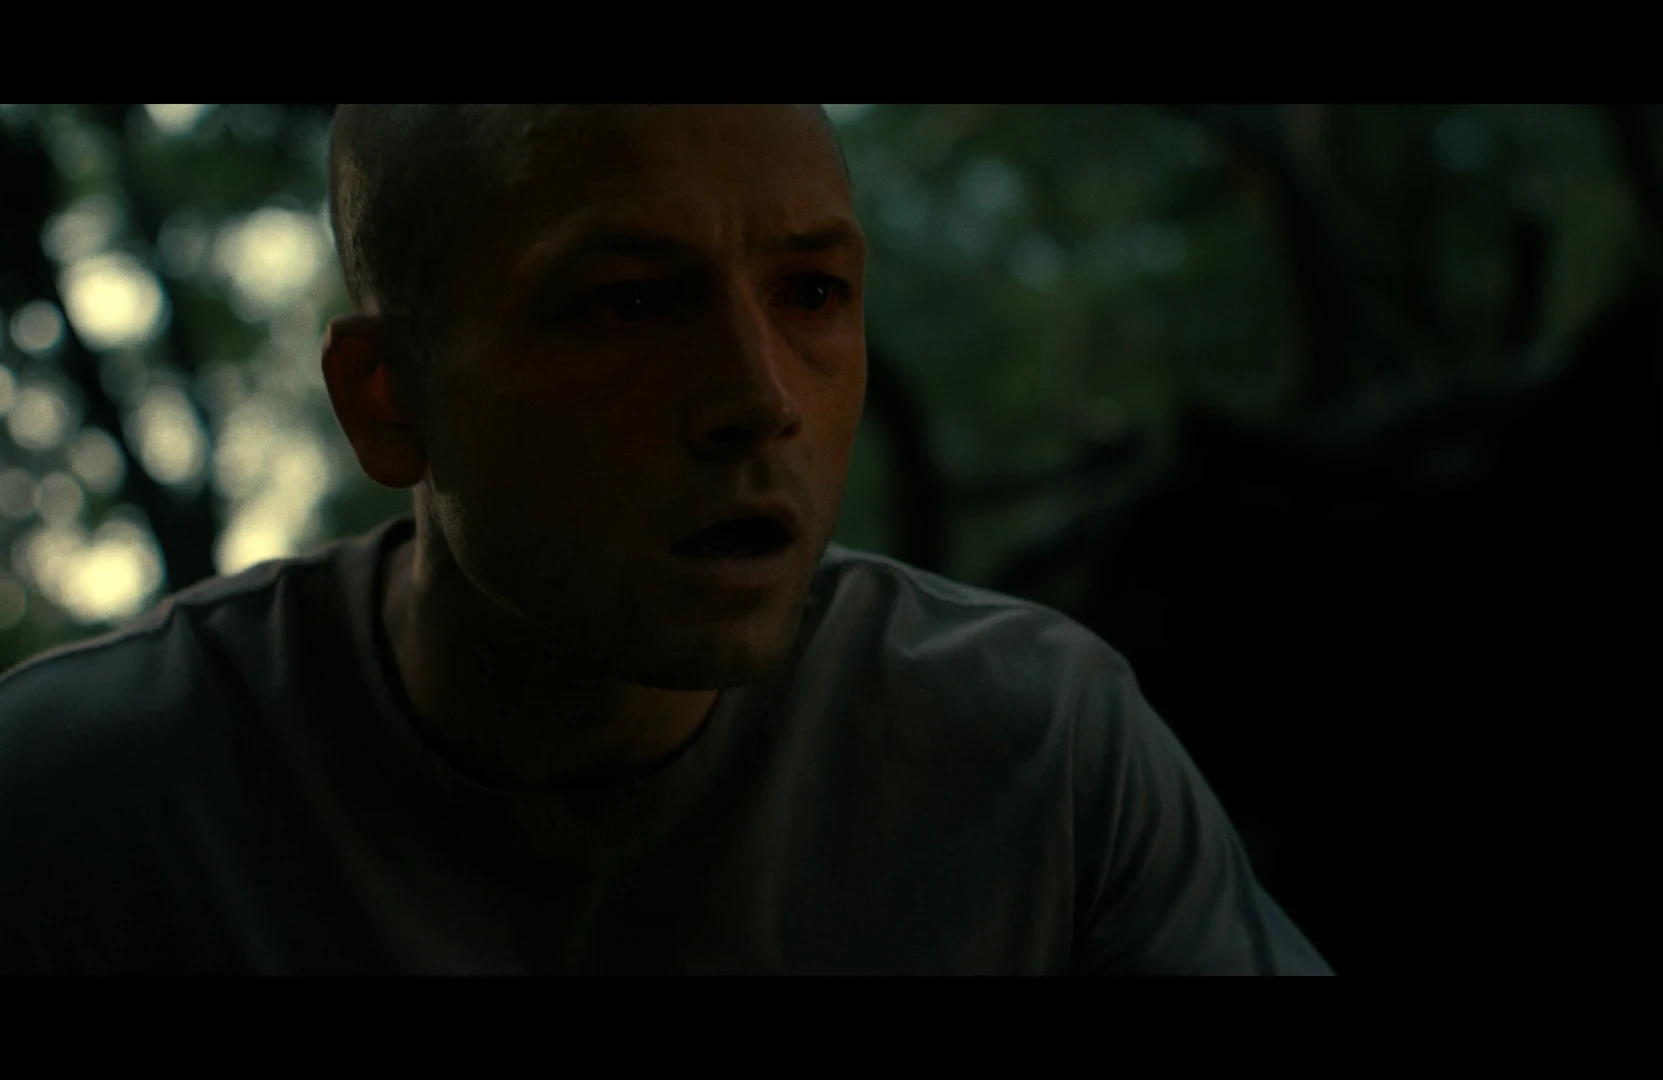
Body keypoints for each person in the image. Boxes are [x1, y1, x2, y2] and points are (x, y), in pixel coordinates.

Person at [0, 104, 1330, 975]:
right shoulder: (78, 810)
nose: (759, 396)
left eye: (812, 291)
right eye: (631, 303)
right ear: (388, 399)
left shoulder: (1036, 759)